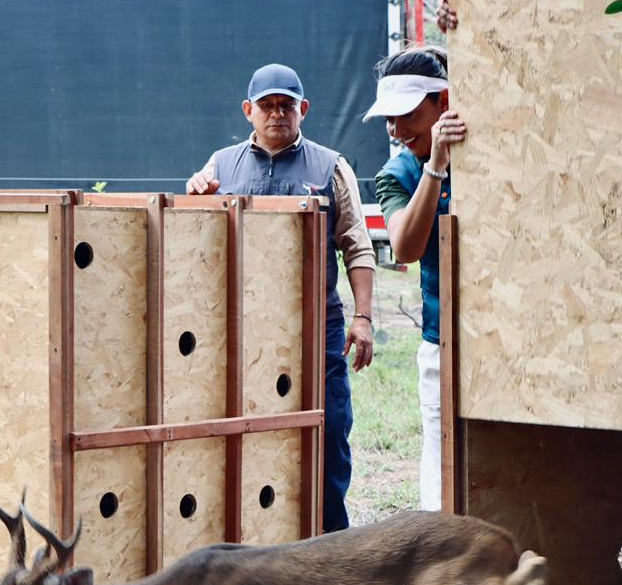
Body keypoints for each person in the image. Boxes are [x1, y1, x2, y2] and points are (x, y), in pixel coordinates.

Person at [187, 64, 376, 533]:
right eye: (267, 105)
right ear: (247, 111)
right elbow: (192, 244)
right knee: (246, 439)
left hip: (317, 331)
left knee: (329, 436)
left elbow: (357, 245)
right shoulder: (219, 166)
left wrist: (364, 317)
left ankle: (331, 545)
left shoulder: (331, 167)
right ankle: (256, 543)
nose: (277, 114)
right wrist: (196, 197)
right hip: (241, 332)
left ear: (303, 110)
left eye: (286, 105)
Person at [363, 48, 466, 512]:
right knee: (442, 469)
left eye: (407, 115)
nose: (396, 129)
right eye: (389, 119)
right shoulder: (396, 174)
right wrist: (435, 168)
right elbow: (405, 247)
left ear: (443, 101)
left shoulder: (484, 148)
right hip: (441, 339)